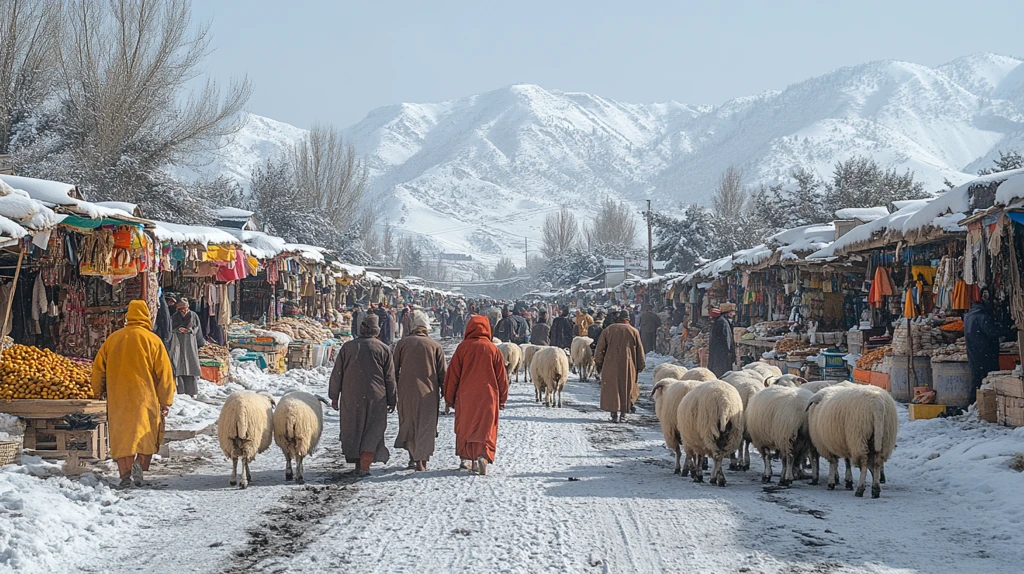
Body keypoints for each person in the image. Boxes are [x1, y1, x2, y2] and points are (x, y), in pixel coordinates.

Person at [91, 300, 175, 488]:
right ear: (146, 316)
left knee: (123, 437)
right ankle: (140, 464)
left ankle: (125, 474)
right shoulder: (153, 340)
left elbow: (98, 370)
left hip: (119, 398)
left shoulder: (114, 339)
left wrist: (97, 392)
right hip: (145, 398)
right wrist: (166, 400)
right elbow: (165, 374)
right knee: (146, 435)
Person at [328, 314, 397, 476]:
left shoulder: (348, 348)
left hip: (351, 396)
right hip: (377, 397)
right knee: (373, 428)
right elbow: (390, 377)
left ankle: (357, 462)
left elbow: (337, 373)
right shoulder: (383, 349)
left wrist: (334, 396)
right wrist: (392, 399)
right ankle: (365, 464)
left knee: (353, 427)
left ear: (362, 328)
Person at [443, 315, 508, 475]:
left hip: (466, 396)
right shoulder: (493, 349)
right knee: (485, 429)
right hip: (488, 396)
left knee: (465, 426)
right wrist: (502, 399)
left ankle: (466, 459)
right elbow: (502, 377)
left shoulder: (462, 348)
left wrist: (449, 398)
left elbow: (453, 376)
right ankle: (483, 456)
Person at [394, 311, 447, 471]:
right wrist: (446, 394)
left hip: (406, 392)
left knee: (409, 423)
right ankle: (422, 460)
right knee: (426, 425)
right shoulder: (435, 346)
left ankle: (412, 456)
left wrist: (392, 391)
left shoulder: (402, 344)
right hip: (429, 394)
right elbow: (442, 373)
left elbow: (393, 370)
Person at [594, 310, 645, 423]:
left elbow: (600, 349)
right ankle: (623, 413)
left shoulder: (609, 330)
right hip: (628, 364)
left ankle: (613, 413)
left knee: (613, 388)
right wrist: (640, 365)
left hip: (610, 364)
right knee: (626, 388)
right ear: (628, 319)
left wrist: (599, 362)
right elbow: (640, 350)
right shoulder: (634, 331)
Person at [964, 289, 1001, 402]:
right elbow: (991, 332)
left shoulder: (968, 315)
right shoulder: (982, 316)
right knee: (987, 378)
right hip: (985, 351)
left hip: (973, 350)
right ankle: (983, 403)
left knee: (976, 377)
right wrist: (1004, 330)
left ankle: (973, 403)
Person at [168, 298, 204, 397]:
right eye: (180, 309)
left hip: (190, 342)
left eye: (183, 308)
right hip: (178, 342)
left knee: (190, 363)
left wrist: (190, 330)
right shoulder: (174, 316)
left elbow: (197, 328)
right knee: (179, 364)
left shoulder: (193, 315)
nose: (182, 311)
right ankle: (181, 390)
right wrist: (178, 329)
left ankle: (192, 391)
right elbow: (171, 328)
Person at [709, 302, 737, 377]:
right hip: (722, 355)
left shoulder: (720, 321)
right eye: (732, 313)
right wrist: (730, 353)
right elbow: (726, 339)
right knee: (723, 375)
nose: (733, 315)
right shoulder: (723, 323)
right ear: (728, 313)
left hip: (717, 353)